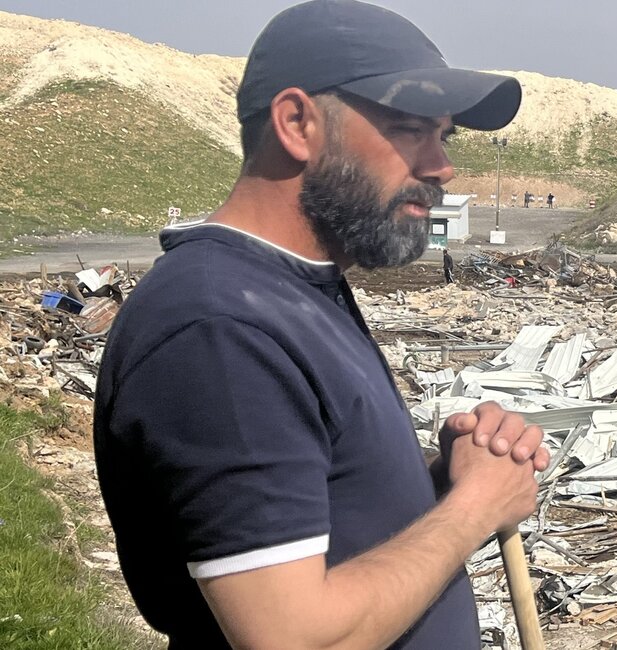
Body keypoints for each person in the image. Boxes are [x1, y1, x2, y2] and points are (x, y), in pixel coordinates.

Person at [92, 1, 544, 647]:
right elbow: (292, 637)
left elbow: (322, 505)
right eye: (412, 128)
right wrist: (476, 510)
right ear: (298, 123)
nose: (441, 167)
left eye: (445, 136)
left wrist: (450, 480)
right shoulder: (218, 326)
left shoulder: (293, 288)